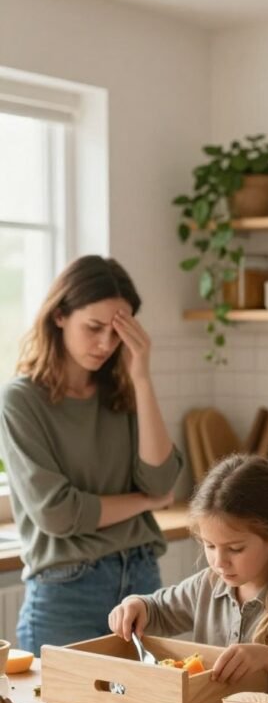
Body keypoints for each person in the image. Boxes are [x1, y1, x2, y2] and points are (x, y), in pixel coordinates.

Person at [0, 255, 183, 655]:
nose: (105, 344)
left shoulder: (122, 392)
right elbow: (58, 514)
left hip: (142, 581)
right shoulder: (21, 400)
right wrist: (144, 503)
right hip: (66, 590)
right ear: (60, 315)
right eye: (94, 328)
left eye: (118, 333)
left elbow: (161, 480)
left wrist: (142, 377)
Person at [108, 453, 268, 695]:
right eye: (209, 546)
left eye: (235, 549)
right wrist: (135, 606)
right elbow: (156, 610)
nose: (219, 562)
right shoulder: (206, 585)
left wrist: (267, 658)